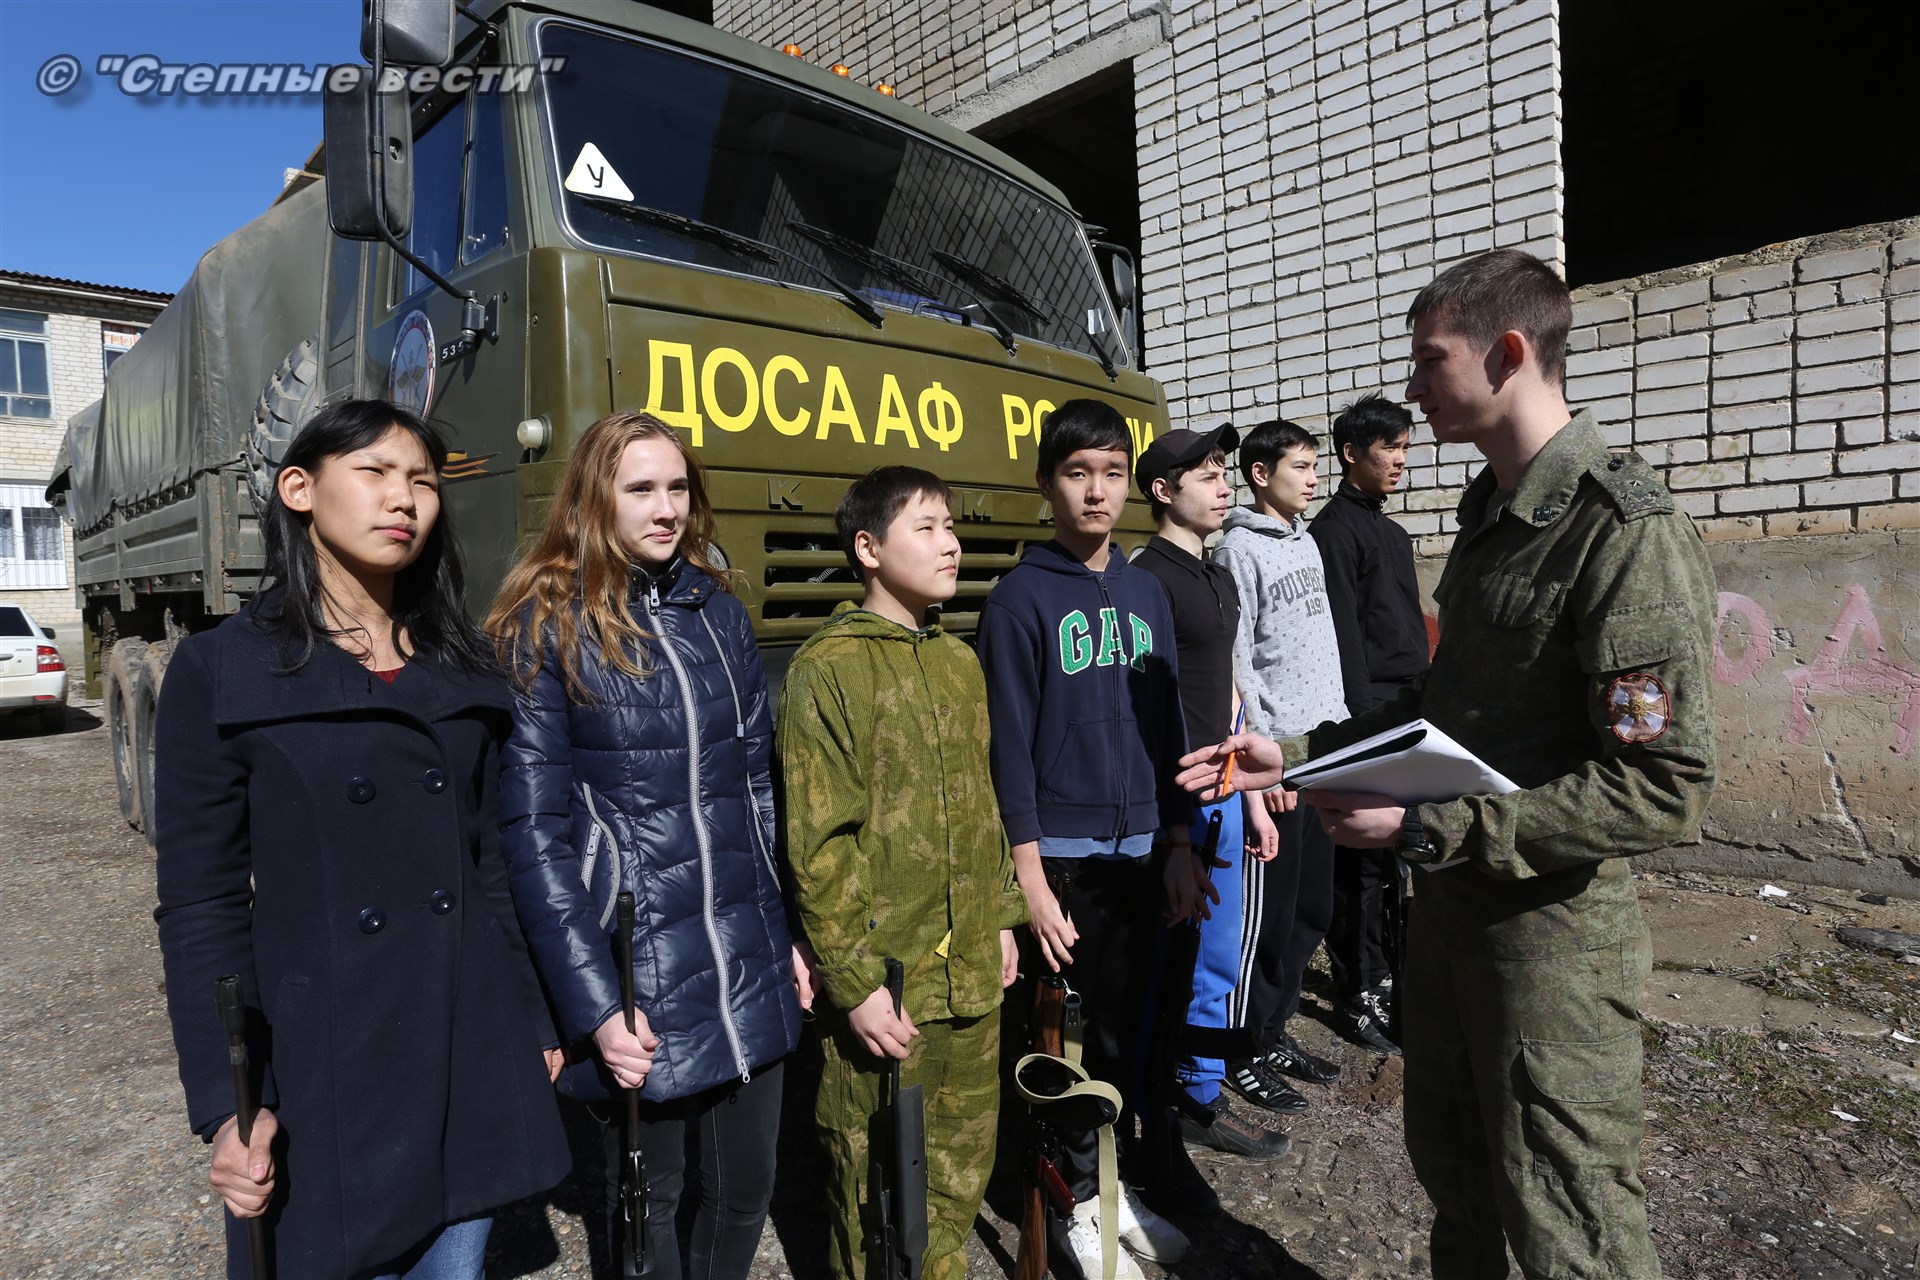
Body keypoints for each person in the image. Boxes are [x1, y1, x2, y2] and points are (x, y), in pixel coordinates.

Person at [1179, 248, 1717, 1279]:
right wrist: (1294, 752)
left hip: (1552, 952)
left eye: (1431, 360)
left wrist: (1427, 824)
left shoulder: (1620, 530)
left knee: (1571, 1225)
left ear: (1508, 353)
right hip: (1454, 930)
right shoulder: (1491, 515)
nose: (1413, 388)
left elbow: (1664, 784)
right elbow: (1440, 712)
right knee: (1457, 1192)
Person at [153, 399, 570, 1280]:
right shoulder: (223, 668)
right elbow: (201, 903)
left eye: (422, 481)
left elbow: (489, 865)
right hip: (326, 1064)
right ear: (299, 489)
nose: (404, 498)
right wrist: (229, 1104)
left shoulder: (463, 666)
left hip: (465, 1042)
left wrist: (532, 1017)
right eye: (374, 472)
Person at [489, 411, 806, 1280]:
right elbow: (534, 836)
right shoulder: (544, 623)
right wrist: (594, 1005)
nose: (666, 509)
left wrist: (785, 933)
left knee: (745, 1192)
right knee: (645, 1210)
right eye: (641, 489)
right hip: (639, 971)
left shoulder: (720, 613)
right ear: (594, 497)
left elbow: (755, 790)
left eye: (677, 488)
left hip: (743, 954)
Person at [778, 465, 1028, 1280]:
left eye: (951, 526)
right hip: (891, 989)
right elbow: (820, 847)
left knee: (957, 1178)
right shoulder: (829, 669)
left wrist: (1000, 916)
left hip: (970, 979)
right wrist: (853, 984)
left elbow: (983, 804)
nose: (950, 543)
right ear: (868, 548)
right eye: (926, 527)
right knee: (875, 1199)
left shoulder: (958, 661)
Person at [976, 398, 1195, 1279]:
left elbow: (1170, 727)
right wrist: (1028, 875)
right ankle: (1069, 1197)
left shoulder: (1147, 593)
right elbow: (1008, 746)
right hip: (1062, 860)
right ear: (1046, 484)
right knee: (1056, 1046)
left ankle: (1110, 1182)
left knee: (1123, 1033)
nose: (1096, 491)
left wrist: (1180, 844)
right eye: (1077, 473)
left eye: (1112, 472)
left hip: (1143, 853)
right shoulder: (1018, 599)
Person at [1130, 425, 1290, 1162]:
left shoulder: (1217, 573)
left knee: (1220, 953)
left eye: (1226, 473)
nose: (1225, 487)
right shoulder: (1147, 580)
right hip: (1177, 800)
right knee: (1177, 956)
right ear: (1164, 492)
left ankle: (1199, 1088)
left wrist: (1252, 795)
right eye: (1208, 476)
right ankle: (1167, 1099)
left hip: (1225, 791)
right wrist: (1174, 827)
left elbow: (1226, 686)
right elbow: (1144, 704)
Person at [1211, 419, 1349, 1112]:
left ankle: (1273, 1029)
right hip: (1278, 762)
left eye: (1316, 466)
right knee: (1265, 920)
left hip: (1323, 752)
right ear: (1261, 474)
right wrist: (1266, 764)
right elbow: (1238, 663)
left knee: (1311, 910)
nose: (1314, 479)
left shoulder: (1306, 539)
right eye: (1301, 467)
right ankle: (1242, 1048)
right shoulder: (1237, 550)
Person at [1311, 391, 1428, 1055]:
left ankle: (1387, 973)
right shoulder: (1334, 531)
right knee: (1357, 864)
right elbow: (1343, 637)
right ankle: (1358, 987)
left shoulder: (1393, 532)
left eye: (1406, 448)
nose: (1401, 460)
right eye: (1390, 448)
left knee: (1393, 856)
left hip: (1407, 706)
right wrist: (1361, 725)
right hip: (1369, 711)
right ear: (1351, 452)